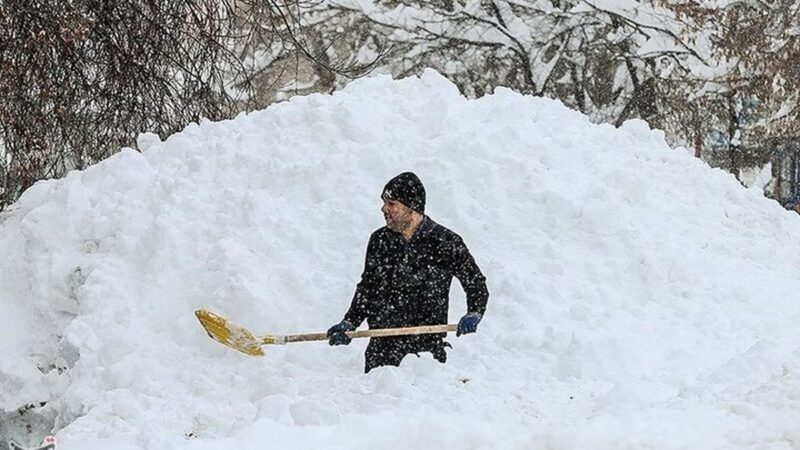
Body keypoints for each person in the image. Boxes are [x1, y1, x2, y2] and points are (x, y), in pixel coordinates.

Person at [327, 172, 489, 373]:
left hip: (426, 354)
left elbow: (475, 282)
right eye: (385, 203)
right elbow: (368, 288)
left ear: (411, 207)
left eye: (391, 204)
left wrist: (474, 311)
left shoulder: (446, 242)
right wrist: (350, 321)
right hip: (382, 351)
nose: (384, 209)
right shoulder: (379, 242)